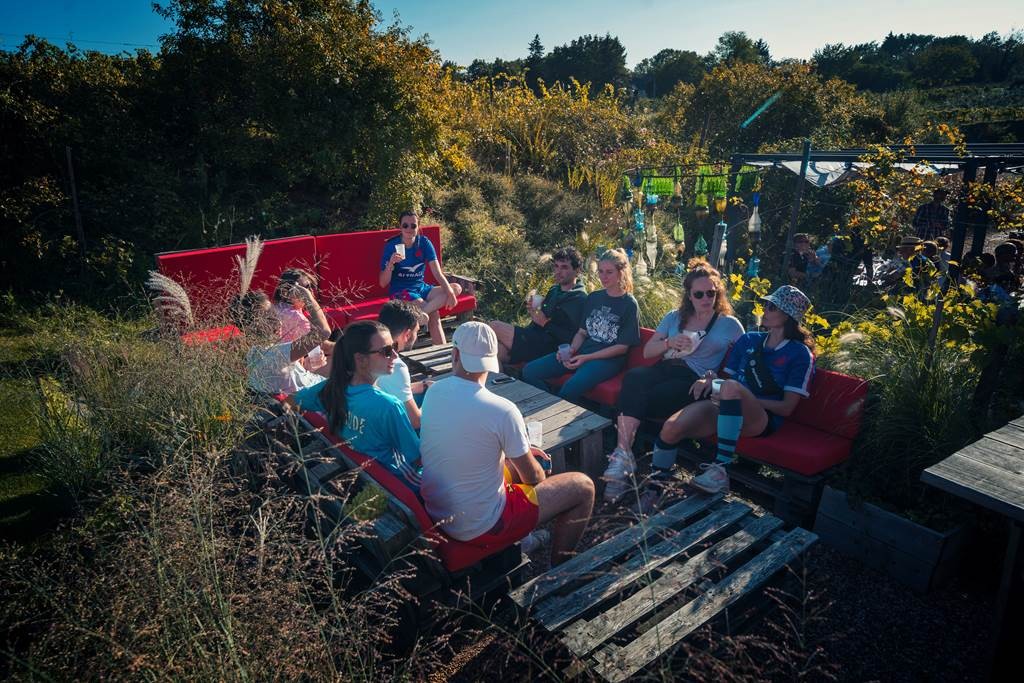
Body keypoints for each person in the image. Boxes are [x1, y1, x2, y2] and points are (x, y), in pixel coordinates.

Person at [419, 322, 595, 566]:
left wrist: (512, 453)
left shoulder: (434, 392)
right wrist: (529, 460)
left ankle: (528, 539)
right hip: (481, 526)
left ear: (455, 354)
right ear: (492, 359)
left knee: (510, 465)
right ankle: (560, 571)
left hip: (438, 510)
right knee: (583, 487)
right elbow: (534, 478)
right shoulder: (502, 410)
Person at [649, 285, 816, 497]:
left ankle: (720, 470)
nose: (765, 309)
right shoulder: (749, 340)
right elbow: (725, 382)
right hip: (724, 407)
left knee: (731, 388)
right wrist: (710, 378)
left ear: (788, 315)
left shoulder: (800, 354)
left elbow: (786, 408)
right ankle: (653, 491)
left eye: (772, 306)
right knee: (671, 427)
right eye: (766, 304)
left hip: (760, 419)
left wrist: (737, 395)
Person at [602, 260, 744, 502]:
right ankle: (624, 453)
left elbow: (741, 364)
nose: (705, 298)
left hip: (694, 379)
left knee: (643, 397)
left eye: (711, 292)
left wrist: (714, 379)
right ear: (689, 296)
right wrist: (670, 342)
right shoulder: (674, 317)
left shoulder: (729, 325)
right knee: (635, 377)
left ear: (718, 293)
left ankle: (624, 461)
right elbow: (648, 353)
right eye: (699, 294)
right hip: (666, 366)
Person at [289, 320, 422, 493]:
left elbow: (292, 400)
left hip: (361, 474)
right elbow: (417, 457)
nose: (395, 356)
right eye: (387, 351)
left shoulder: (331, 388)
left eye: (394, 347)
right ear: (360, 359)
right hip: (397, 481)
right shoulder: (389, 406)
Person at [522, 249, 641, 403]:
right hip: (583, 351)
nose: (603, 277)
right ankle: (547, 405)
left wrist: (586, 358)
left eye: (609, 272)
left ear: (621, 273)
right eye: (600, 271)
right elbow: (582, 333)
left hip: (607, 361)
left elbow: (621, 348)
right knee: (529, 371)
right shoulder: (594, 298)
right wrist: (571, 350)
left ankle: (554, 414)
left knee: (569, 389)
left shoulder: (629, 304)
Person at [489, 247, 587, 366]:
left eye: (564, 267)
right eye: (556, 266)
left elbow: (571, 337)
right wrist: (534, 311)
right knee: (495, 353)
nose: (558, 271)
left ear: (577, 271)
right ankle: (502, 384)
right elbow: (542, 318)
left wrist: (545, 323)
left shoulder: (579, 299)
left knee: (494, 326)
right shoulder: (555, 290)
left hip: (548, 347)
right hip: (533, 337)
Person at [379, 210, 463, 346]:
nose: (409, 229)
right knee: (434, 314)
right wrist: (390, 264)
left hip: (420, 287)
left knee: (456, 288)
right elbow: (383, 283)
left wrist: (450, 293)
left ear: (418, 227)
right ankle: (443, 355)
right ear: (400, 227)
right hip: (401, 290)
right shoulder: (391, 246)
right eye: (405, 225)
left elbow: (436, 271)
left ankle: (419, 315)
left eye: (413, 226)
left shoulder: (424, 243)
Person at [231, 287, 331, 395]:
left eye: (274, 313)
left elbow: (288, 379)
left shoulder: (264, 351)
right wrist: (307, 295)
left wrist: (306, 367)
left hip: (319, 389)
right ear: (251, 326)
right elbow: (324, 332)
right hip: (319, 400)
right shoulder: (268, 354)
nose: (278, 320)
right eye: (269, 316)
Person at [377, 299, 429, 429]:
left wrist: (420, 386)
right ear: (407, 334)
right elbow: (416, 422)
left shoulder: (366, 350)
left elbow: (382, 387)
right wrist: (433, 400)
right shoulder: (396, 366)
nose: (417, 335)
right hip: (384, 431)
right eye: (417, 331)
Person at [273, 268, 328, 371]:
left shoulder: (275, 308)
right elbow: (323, 336)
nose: (310, 292)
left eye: (310, 287)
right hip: (290, 376)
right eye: (305, 288)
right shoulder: (297, 318)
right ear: (286, 292)